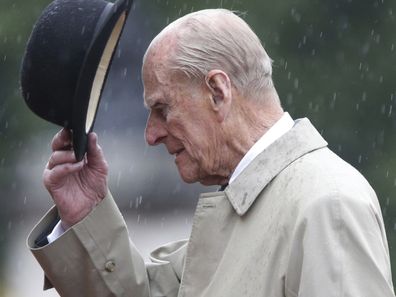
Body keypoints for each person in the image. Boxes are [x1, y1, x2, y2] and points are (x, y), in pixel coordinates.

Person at [28, 8, 395, 297]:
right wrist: (85, 214)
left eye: (162, 109)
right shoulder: (257, 203)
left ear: (218, 91)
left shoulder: (326, 203)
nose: (151, 135)